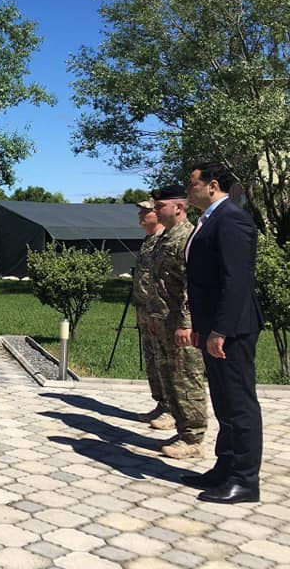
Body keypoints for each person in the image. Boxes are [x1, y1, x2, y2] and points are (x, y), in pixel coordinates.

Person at [183, 162, 264, 503]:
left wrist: (220, 329)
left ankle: (245, 479)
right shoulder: (211, 220)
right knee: (223, 402)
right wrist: (203, 327)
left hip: (231, 329)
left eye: (192, 184)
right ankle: (225, 466)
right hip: (214, 327)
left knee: (239, 404)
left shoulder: (232, 219)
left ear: (212, 185)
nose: (188, 190)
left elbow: (236, 280)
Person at [146, 185, 207, 459]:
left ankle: (194, 439)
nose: (156, 211)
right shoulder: (165, 237)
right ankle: (183, 429)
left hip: (180, 323)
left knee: (186, 378)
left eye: (160, 207)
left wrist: (186, 322)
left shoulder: (188, 238)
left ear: (178, 208)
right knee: (171, 377)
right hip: (162, 320)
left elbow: (190, 285)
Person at [132, 198, 172, 429]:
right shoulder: (148, 241)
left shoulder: (164, 241)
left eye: (145, 211)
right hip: (145, 311)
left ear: (157, 214)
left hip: (161, 314)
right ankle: (160, 403)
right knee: (152, 360)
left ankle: (171, 409)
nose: (140, 215)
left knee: (165, 360)